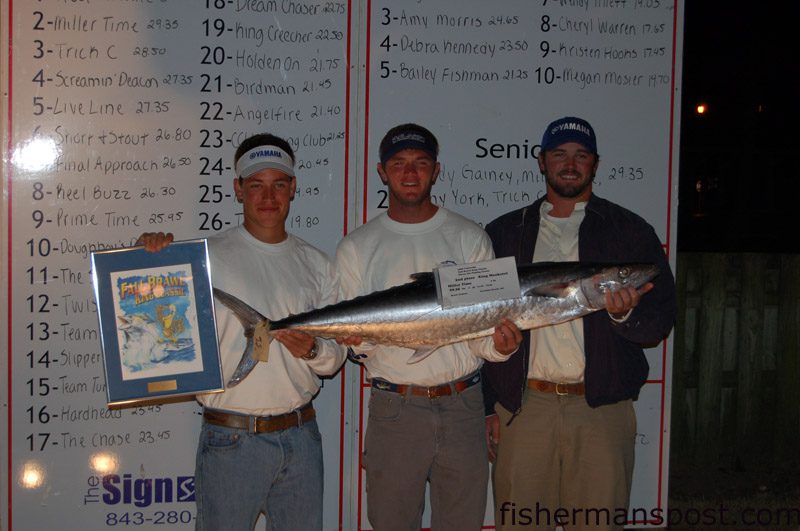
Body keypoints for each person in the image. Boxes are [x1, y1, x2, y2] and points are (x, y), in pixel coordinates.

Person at [137, 133, 345, 530]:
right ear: (238, 189)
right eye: (256, 185)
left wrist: (313, 349)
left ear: (293, 188)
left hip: (301, 437)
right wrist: (148, 260)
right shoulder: (202, 257)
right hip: (230, 439)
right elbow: (149, 312)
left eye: (279, 184)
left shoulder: (318, 264)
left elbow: (335, 355)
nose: (269, 196)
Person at [482, 116, 677, 531]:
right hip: (524, 409)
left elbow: (660, 319)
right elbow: (475, 323)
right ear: (541, 162)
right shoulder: (503, 232)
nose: (569, 164)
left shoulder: (630, 231)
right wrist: (487, 407)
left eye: (580, 155)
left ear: (595, 164)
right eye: (559, 154)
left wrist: (625, 313)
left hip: (602, 411)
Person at [336, 123, 523, 530]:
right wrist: (358, 343)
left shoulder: (470, 237)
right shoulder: (356, 246)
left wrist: (502, 347)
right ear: (382, 171)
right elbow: (358, 347)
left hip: (463, 407)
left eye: (420, 163)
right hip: (395, 409)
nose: (409, 172)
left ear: (436, 170)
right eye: (399, 163)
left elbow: (482, 335)